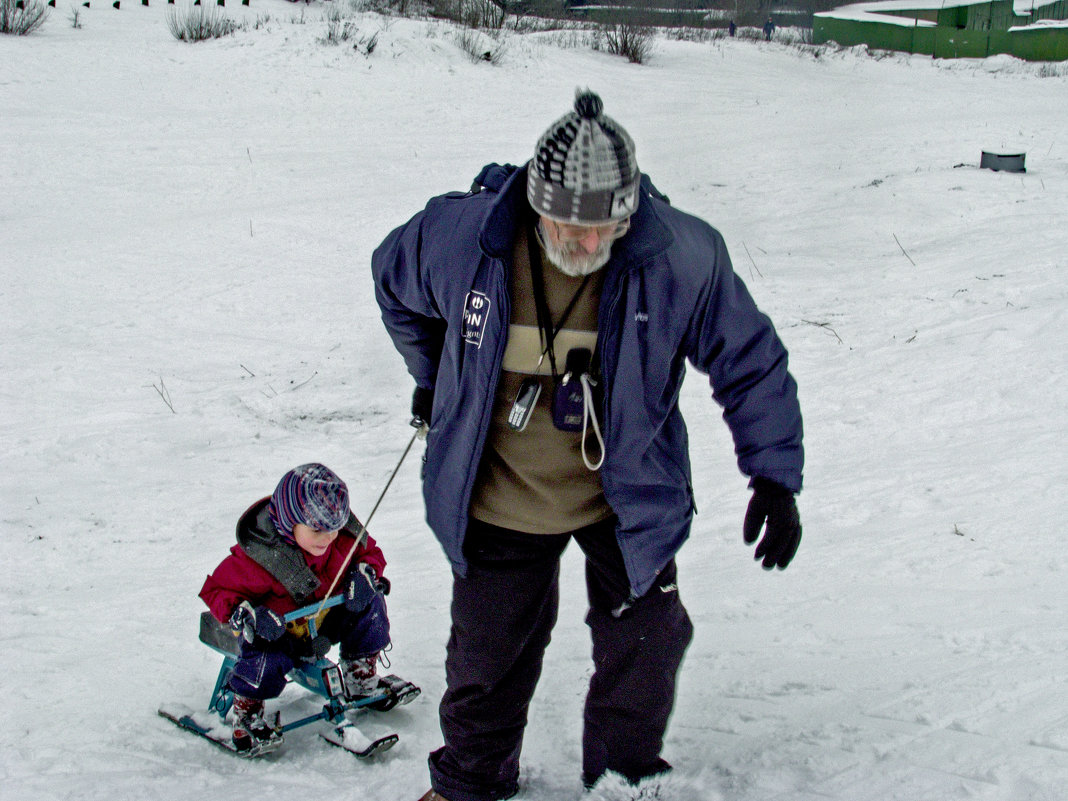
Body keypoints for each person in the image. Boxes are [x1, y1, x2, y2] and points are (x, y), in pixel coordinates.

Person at [372, 90, 804, 801]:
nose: (584, 244)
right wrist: (434, 374)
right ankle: (470, 783)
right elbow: (394, 284)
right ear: (536, 205)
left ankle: (623, 780)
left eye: (603, 229)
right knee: (486, 655)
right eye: (567, 227)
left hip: (625, 495)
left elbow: (749, 359)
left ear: (628, 214)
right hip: (499, 491)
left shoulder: (680, 258)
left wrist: (774, 476)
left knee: (645, 647)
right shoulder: (462, 238)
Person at [199, 463, 393, 752]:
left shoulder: (341, 540)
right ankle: (248, 711)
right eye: (317, 530)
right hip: (280, 634)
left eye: (335, 528)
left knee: (372, 602)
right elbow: (217, 589)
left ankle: (360, 674)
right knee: (263, 656)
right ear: (290, 521)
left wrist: (367, 573)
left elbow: (370, 553)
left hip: (325, 618)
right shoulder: (260, 557)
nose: (328, 538)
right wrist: (246, 613)